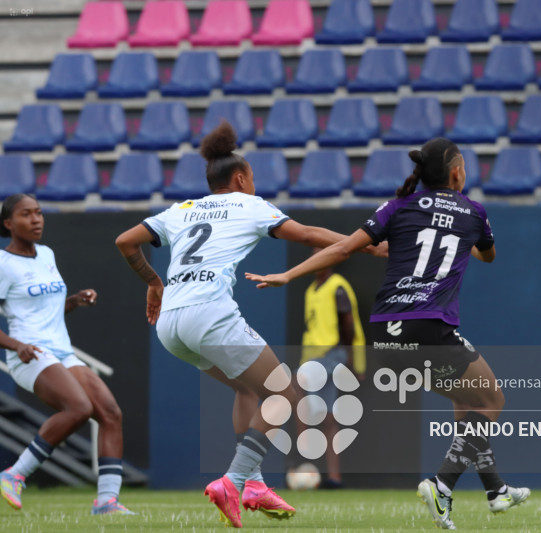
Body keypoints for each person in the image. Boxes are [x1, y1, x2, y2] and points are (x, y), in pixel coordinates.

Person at [246, 137, 530, 529]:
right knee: (492, 399)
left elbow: (346, 248)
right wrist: (465, 241)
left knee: (468, 401)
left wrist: (288, 274)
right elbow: (489, 254)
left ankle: (495, 490)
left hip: (386, 335)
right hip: (428, 327)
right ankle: (442, 485)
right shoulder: (473, 214)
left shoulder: (397, 208)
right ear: (456, 171)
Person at [115, 121, 383, 528]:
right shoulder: (251, 205)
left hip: (170, 325)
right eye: (253, 178)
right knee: (286, 393)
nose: (254, 185)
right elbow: (309, 234)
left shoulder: (180, 210)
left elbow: (124, 241)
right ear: (240, 178)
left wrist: (154, 282)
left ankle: (254, 484)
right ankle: (235, 479)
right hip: (210, 314)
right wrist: (364, 242)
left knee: (247, 390)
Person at [0, 194, 134, 515]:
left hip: (61, 350)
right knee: (78, 408)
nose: (36, 220)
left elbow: (48, 310)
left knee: (110, 413)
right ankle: (14, 474)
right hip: (29, 355)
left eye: (39, 213)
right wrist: (16, 346)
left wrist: (75, 300)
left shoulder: (47, 254)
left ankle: (107, 502)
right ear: (8, 224)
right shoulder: (3, 264)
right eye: (26, 214)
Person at [296, 248, 366, 488]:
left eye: (322, 256)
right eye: (313, 256)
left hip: (331, 353)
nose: (317, 261)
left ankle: (302, 453)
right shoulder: (310, 291)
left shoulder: (337, 286)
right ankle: (334, 477)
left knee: (299, 386)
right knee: (328, 418)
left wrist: (353, 360)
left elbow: (349, 324)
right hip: (313, 356)